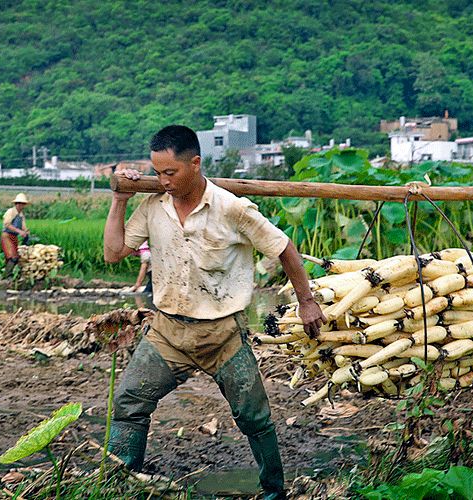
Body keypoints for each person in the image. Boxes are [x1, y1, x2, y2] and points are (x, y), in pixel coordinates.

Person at [103, 125, 325, 499]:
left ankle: (274, 491)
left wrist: (306, 301)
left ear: (195, 164)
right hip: (168, 332)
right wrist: (120, 199)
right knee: (129, 403)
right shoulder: (153, 205)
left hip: (222, 334)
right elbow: (113, 253)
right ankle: (119, 483)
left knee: (254, 417)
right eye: (157, 173)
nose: (163, 181)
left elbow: (284, 247)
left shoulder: (232, 208)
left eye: (170, 173)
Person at [1, 192, 30, 275]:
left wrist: (26, 231)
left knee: (15, 257)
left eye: (23, 204)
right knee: (12, 257)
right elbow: (7, 224)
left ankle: (9, 274)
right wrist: (19, 231)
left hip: (14, 237)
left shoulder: (21, 215)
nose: (21, 206)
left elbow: (23, 227)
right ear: (16, 204)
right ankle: (6, 276)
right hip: (6, 236)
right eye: (19, 204)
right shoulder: (10, 212)